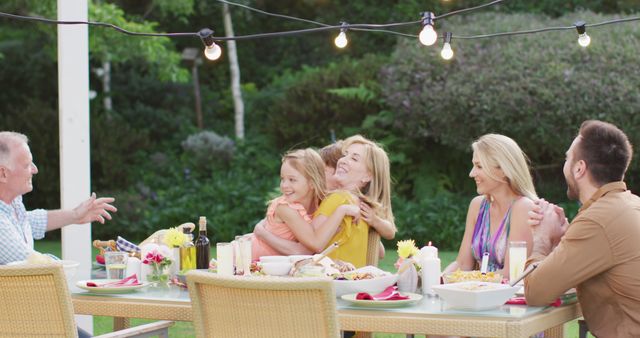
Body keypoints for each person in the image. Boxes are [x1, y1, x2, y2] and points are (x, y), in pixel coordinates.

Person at [524, 120, 640, 337]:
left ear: (579, 168)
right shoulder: (629, 204)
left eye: (567, 158)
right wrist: (562, 244)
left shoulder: (597, 220)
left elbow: (535, 293)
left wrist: (541, 239)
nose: (565, 164)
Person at [255, 135, 396, 267]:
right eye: (345, 155)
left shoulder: (338, 200)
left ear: (367, 176)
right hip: (351, 281)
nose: (317, 177)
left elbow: (311, 247)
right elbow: (380, 248)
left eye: (354, 158)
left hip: (330, 280)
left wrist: (261, 232)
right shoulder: (359, 204)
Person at [0, 131, 117, 265]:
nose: (35, 170)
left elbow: (28, 222)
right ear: (3, 173)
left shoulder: (12, 205)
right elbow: (34, 264)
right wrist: (73, 267)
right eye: (27, 165)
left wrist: (75, 215)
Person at [443, 134, 537, 279]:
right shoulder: (477, 205)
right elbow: (462, 264)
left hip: (510, 297)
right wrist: (438, 279)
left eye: (479, 166)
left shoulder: (523, 208)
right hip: (479, 294)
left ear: (504, 170)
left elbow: (512, 274)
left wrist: (466, 279)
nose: (471, 173)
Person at [251, 148, 358, 258]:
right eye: (282, 179)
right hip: (246, 259)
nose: (284, 185)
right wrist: (342, 210)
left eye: (292, 180)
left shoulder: (319, 204)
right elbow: (313, 246)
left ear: (312, 183)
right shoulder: (286, 208)